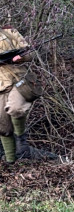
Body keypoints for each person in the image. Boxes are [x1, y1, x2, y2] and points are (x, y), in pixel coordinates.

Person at [0, 25, 41, 165]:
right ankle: (11, 161)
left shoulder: (9, 32)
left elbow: (30, 53)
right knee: (3, 126)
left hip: (18, 79)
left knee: (16, 108)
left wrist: (20, 58)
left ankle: (21, 140)